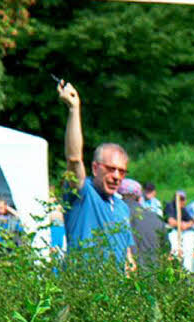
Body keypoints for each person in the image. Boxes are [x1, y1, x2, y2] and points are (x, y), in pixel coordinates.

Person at [56, 80, 135, 270]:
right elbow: (74, 158)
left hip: (113, 296)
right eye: (110, 168)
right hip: (80, 294)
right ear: (95, 168)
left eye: (122, 171)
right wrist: (74, 110)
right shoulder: (81, 194)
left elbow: (127, 257)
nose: (117, 176)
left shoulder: (123, 208)